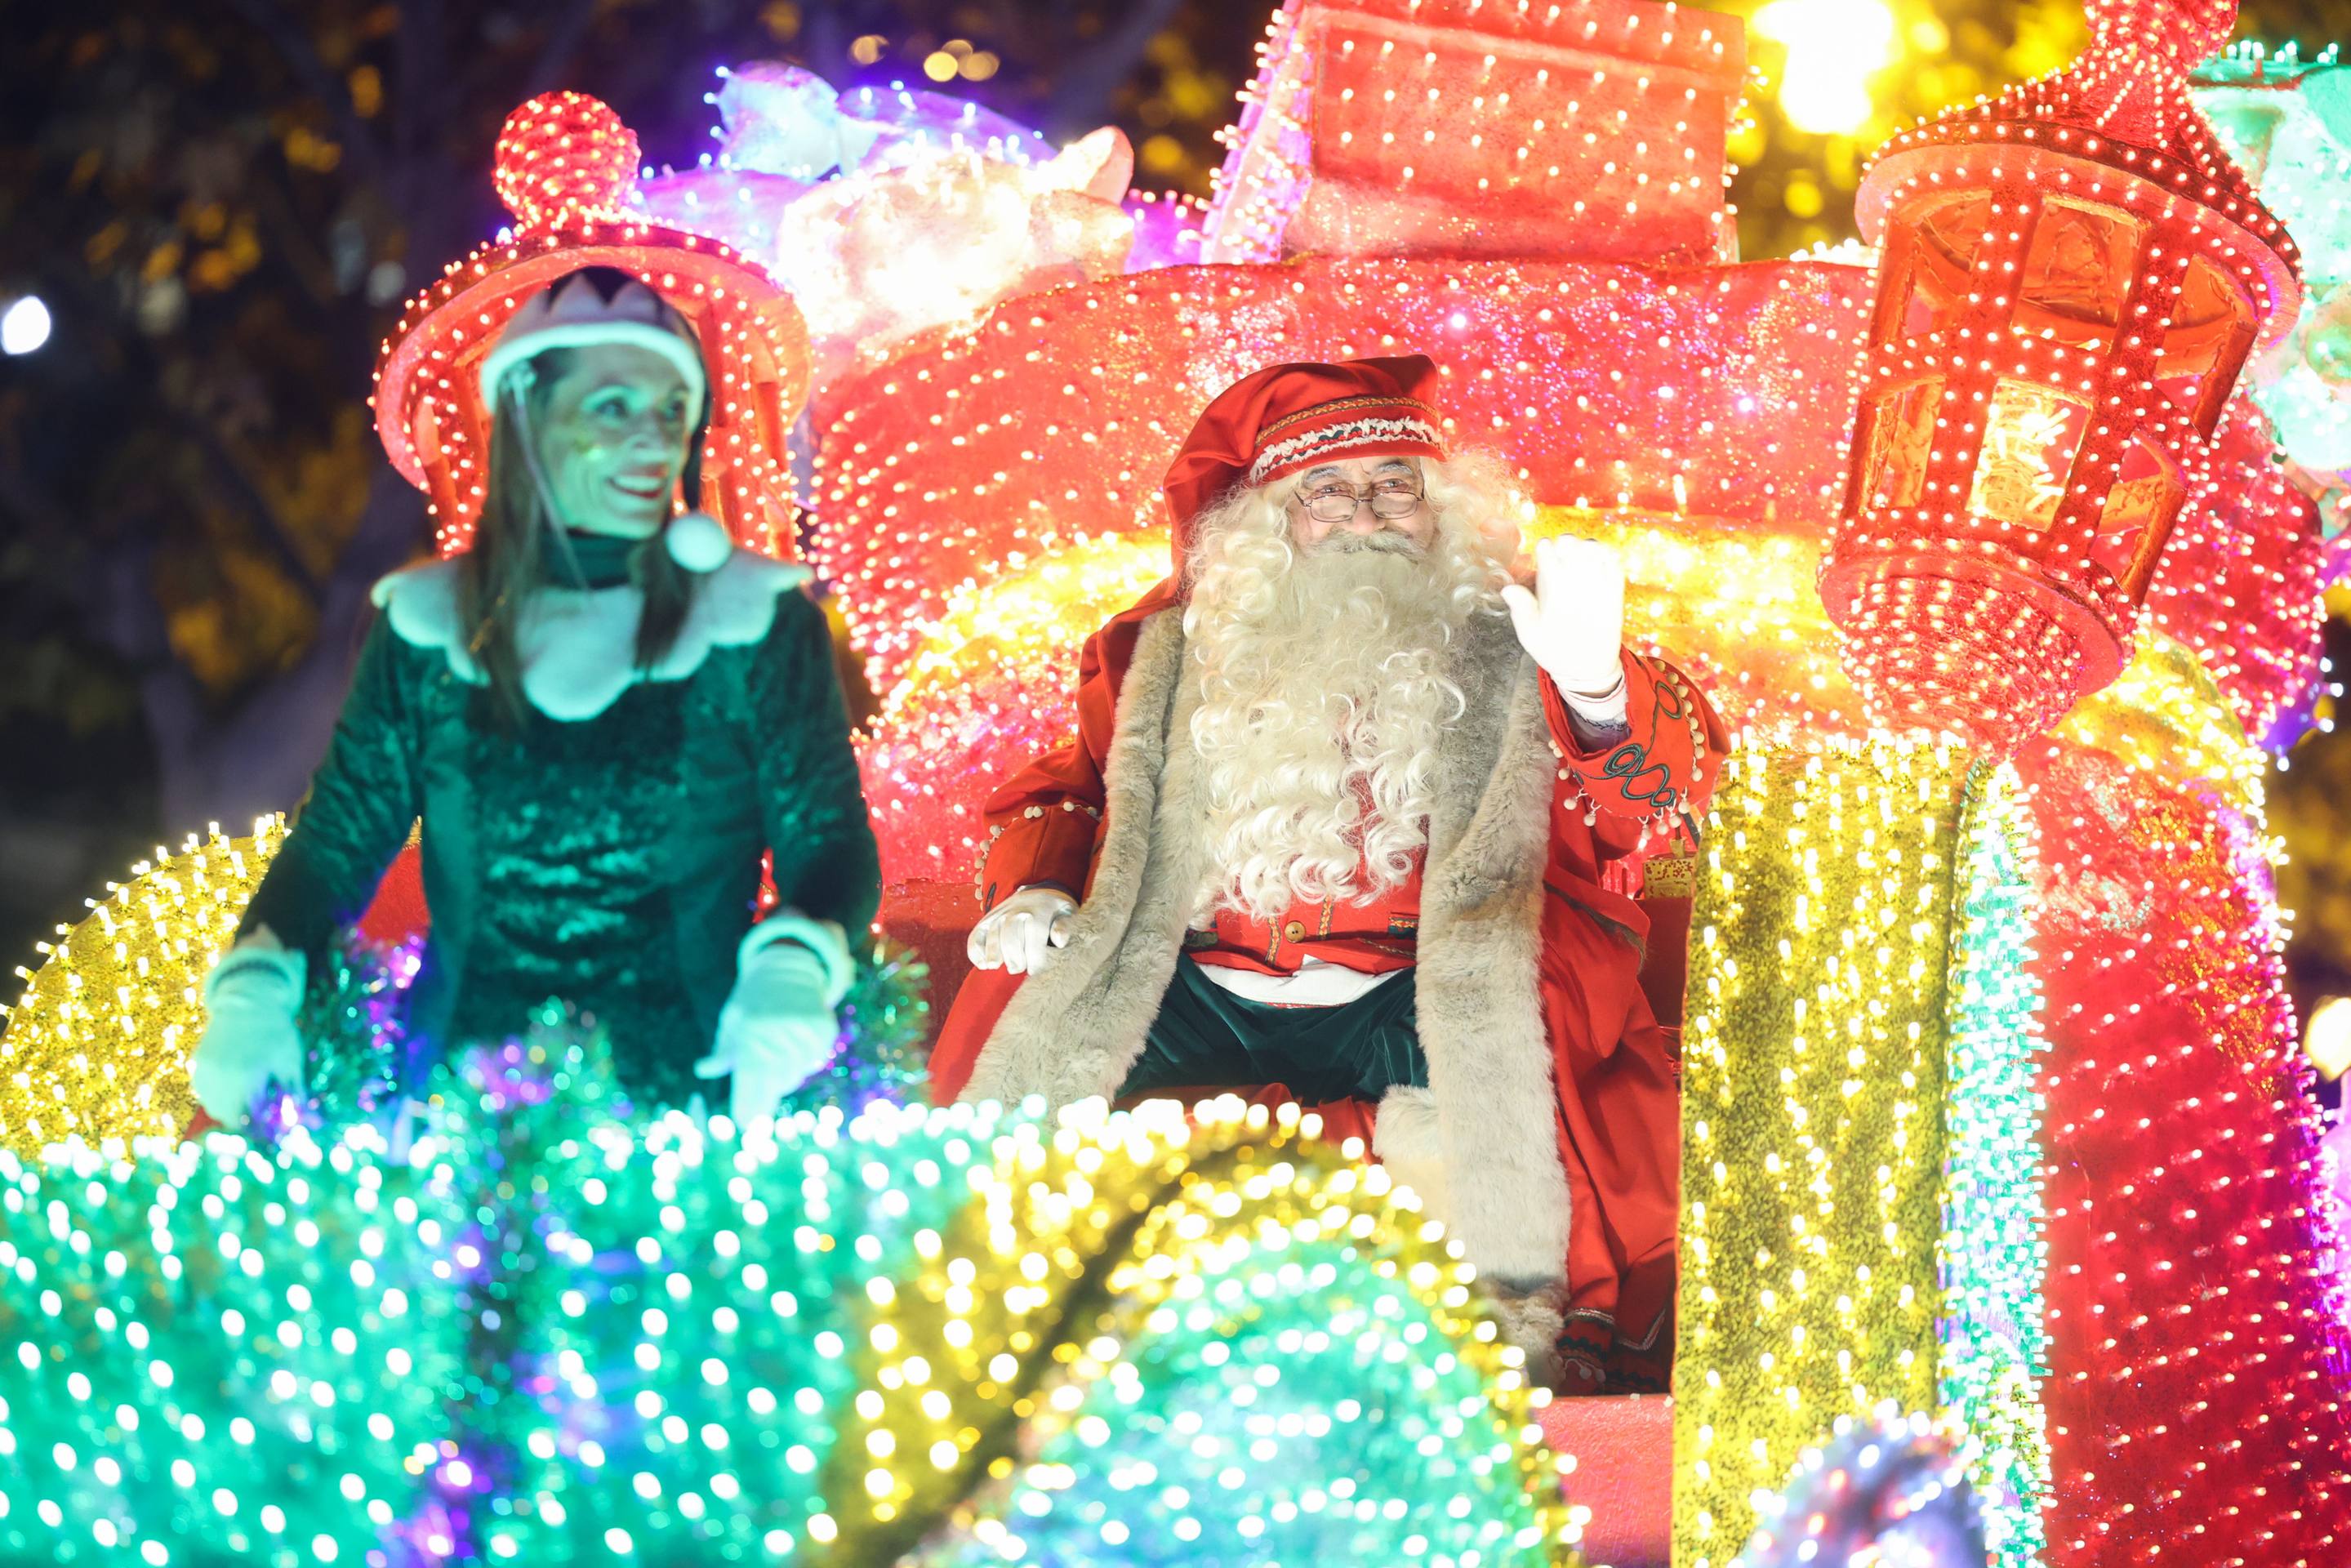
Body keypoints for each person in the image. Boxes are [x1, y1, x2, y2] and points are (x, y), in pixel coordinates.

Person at [930, 356, 1727, 1389]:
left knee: (1521, 1084)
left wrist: (1596, 689)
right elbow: (1068, 790)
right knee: (1037, 1035)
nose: (1366, 515)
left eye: (1397, 484)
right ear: (1267, 526)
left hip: (1421, 986)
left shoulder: (1522, 639)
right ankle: (1042, 1334)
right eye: (1327, 492)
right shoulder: (1161, 652)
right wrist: (1036, 885)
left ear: (1441, 508)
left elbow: (1650, 810)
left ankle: (1480, 1336)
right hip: (1190, 979)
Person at [189, 267, 880, 1126]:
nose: (653, 441)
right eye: (613, 407)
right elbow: (336, 845)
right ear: (523, 415)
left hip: (695, 1119)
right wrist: (256, 983)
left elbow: (829, 843)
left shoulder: (754, 619)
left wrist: (796, 963)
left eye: (672, 410)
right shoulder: (426, 627)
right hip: (458, 1121)